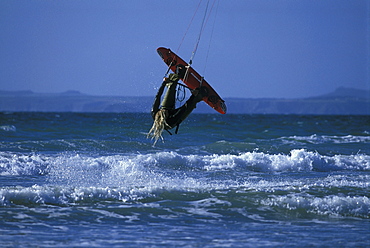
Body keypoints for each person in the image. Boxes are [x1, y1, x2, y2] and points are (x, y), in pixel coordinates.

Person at [148, 64, 207, 144]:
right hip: (176, 119)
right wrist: (193, 96)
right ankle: (199, 96)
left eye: (164, 111)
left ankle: (178, 74)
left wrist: (164, 83)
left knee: (171, 86)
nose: (166, 111)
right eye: (167, 112)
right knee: (192, 103)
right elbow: (184, 108)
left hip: (165, 111)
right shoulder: (171, 121)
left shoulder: (154, 111)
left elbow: (158, 96)